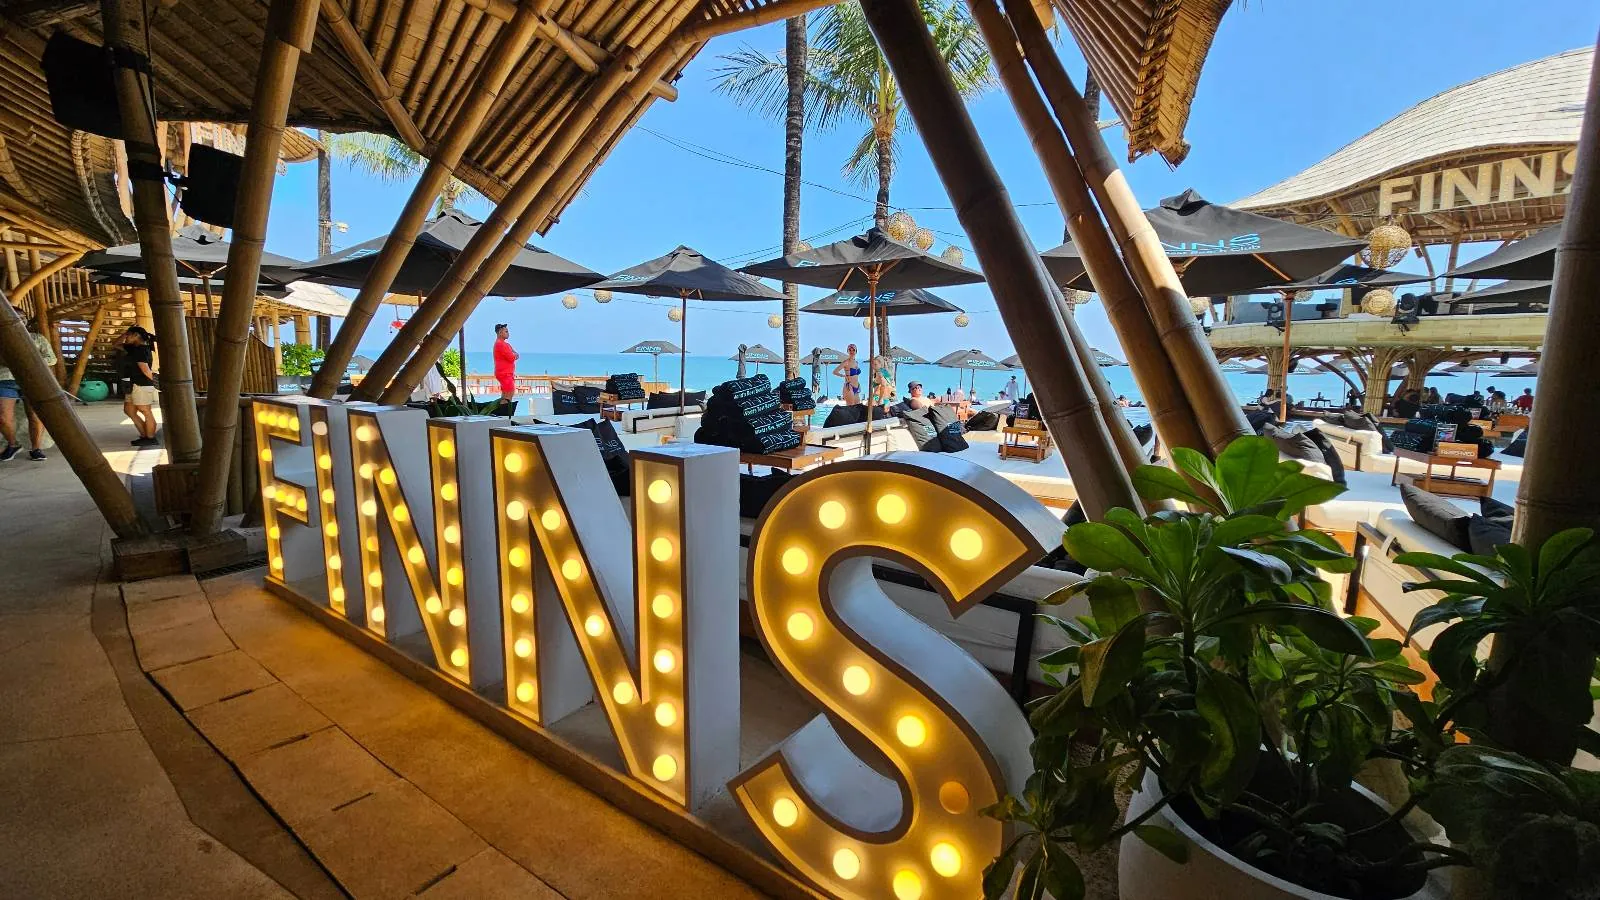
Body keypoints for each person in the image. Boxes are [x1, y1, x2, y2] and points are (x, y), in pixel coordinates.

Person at [0, 310, 55, 461]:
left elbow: (51, 358)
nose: (20, 321)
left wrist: (28, 361)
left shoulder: (37, 338)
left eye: (22, 318)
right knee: (3, 418)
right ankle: (12, 444)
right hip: (5, 379)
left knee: (35, 416)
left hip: (32, 380)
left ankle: (36, 448)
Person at [124, 327, 159, 446]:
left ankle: (150, 438)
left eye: (128, 335)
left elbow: (145, 369)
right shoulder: (136, 348)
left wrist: (156, 381)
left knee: (146, 411)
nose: (126, 337)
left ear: (136, 335)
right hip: (135, 384)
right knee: (129, 410)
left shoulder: (141, 350)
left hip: (142, 385)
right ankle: (145, 434)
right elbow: (117, 344)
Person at [492, 323, 518, 406]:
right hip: (504, 373)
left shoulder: (506, 344)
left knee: (506, 395)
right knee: (508, 395)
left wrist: (514, 355)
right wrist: (514, 355)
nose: (508, 333)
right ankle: (505, 413)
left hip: (507, 373)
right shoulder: (500, 344)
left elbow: (515, 353)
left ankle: (504, 413)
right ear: (500, 332)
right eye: (506, 331)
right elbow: (512, 356)